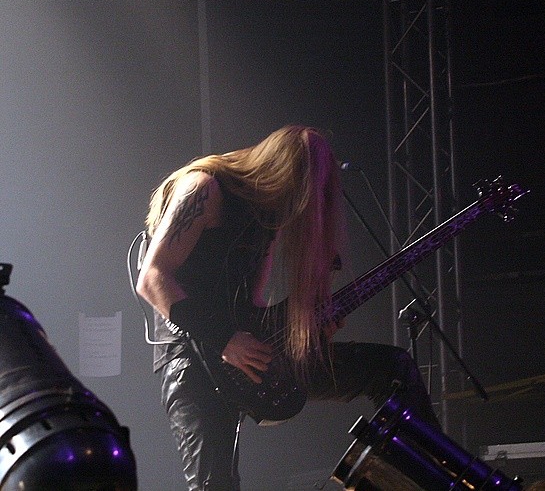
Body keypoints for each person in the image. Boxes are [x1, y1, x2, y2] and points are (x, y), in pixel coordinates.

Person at [136, 125, 439, 490]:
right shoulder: (204, 187)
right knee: (214, 485)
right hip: (192, 356)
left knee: (392, 369)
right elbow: (153, 278)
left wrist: (305, 326)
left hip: (247, 348)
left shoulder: (267, 215)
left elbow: (253, 306)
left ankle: (429, 479)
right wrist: (226, 340)